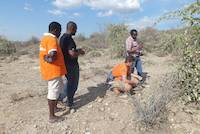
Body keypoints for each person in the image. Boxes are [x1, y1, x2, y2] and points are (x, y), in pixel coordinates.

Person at [39, 22, 67, 123]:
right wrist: (49, 58)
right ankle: (52, 116)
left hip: (52, 70)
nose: (60, 32)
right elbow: (53, 55)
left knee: (58, 88)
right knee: (53, 92)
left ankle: (55, 108)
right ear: (55, 30)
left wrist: (46, 58)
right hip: (53, 71)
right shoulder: (51, 39)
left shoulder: (44, 38)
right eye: (59, 30)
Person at [59, 21, 85, 108]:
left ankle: (62, 98)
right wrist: (80, 52)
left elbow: (68, 51)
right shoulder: (68, 38)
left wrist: (76, 50)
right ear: (72, 28)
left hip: (66, 64)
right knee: (73, 84)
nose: (76, 31)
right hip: (71, 65)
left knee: (69, 82)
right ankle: (69, 102)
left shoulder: (62, 37)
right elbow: (72, 54)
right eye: (76, 29)